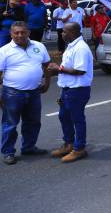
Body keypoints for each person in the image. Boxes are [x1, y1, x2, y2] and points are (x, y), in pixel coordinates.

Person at [0, 22, 51, 165]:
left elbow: (46, 66)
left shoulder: (39, 46)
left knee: (33, 122)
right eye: (16, 33)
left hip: (34, 92)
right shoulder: (4, 51)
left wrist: (47, 82)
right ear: (11, 34)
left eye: (23, 32)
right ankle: (8, 152)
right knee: (10, 124)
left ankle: (28, 147)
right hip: (12, 93)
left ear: (28, 32)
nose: (20, 35)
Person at [47, 22, 93, 163]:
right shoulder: (72, 45)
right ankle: (69, 144)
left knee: (77, 119)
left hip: (77, 90)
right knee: (64, 117)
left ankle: (79, 149)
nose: (62, 33)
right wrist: (59, 67)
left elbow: (80, 70)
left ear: (72, 32)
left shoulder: (81, 48)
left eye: (64, 31)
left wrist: (58, 69)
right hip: (67, 89)